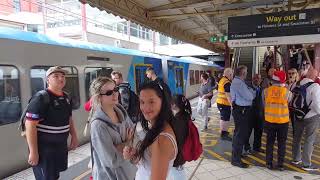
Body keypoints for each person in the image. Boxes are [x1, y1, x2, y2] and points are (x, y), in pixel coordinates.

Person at [25, 66, 79, 180]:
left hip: (60, 148)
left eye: (63, 76)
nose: (61, 78)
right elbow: (30, 125)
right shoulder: (41, 98)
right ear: (47, 80)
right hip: (44, 150)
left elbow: (69, 118)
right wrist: (33, 152)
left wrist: (74, 135)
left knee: (55, 176)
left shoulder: (66, 97)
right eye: (56, 76)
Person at [123, 81, 177, 180]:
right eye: (142, 102)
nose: (145, 108)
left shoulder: (162, 139)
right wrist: (134, 156)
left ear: (163, 102)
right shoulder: (157, 128)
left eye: (151, 101)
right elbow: (149, 164)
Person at [89, 77, 137, 180]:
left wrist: (120, 147)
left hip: (129, 173)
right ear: (98, 97)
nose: (115, 94)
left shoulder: (121, 111)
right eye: (109, 93)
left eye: (115, 89)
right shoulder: (98, 125)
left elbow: (135, 136)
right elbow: (112, 160)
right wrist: (127, 142)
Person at [292, 68, 320, 171]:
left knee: (297, 137)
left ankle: (295, 159)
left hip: (298, 114)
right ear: (315, 76)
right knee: (309, 139)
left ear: (307, 74)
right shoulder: (315, 86)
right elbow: (317, 104)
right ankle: (306, 164)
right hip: (311, 116)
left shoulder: (297, 84)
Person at [230, 65, 255, 168]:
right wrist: (252, 92)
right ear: (243, 73)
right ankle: (236, 160)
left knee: (239, 134)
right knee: (240, 135)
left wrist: (250, 92)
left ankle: (237, 155)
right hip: (241, 111)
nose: (247, 74)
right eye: (246, 72)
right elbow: (250, 96)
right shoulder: (239, 84)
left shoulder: (238, 82)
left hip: (240, 110)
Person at [263, 70, 289, 171]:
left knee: (269, 143)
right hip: (283, 122)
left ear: (272, 80)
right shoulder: (287, 92)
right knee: (282, 144)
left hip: (269, 121)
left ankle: (268, 163)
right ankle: (280, 164)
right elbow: (290, 102)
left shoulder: (266, 91)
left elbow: (263, 103)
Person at [170, 94, 192, 180]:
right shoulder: (186, 115)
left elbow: (176, 140)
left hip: (178, 155)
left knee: (177, 174)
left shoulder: (177, 121)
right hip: (183, 152)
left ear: (174, 105)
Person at [244, 74, 264, 155]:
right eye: (255, 78)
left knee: (259, 132)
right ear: (252, 79)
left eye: (259, 78)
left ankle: (257, 147)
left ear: (261, 80)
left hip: (259, 115)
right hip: (249, 115)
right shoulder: (247, 88)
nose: (257, 80)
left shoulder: (262, 89)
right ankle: (246, 148)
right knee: (247, 132)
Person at [216, 68, 233, 141]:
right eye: (232, 74)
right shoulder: (227, 82)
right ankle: (223, 135)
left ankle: (224, 132)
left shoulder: (222, 80)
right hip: (224, 103)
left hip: (221, 103)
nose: (232, 76)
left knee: (225, 118)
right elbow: (228, 95)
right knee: (224, 119)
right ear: (229, 74)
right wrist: (232, 104)